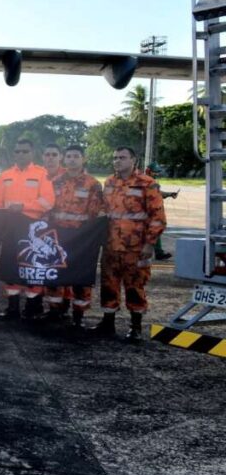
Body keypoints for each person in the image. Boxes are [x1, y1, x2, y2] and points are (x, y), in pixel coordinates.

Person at [91, 146, 166, 341]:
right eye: (115, 157)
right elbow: (103, 207)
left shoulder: (147, 184)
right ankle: (107, 323)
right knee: (108, 285)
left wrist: (150, 244)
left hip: (136, 247)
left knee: (135, 286)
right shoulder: (109, 182)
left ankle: (135, 327)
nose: (117, 161)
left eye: (122, 157)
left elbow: (157, 216)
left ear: (133, 160)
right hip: (110, 245)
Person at [0, 138, 55, 321]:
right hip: (9, 228)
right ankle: (12, 308)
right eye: (18, 151)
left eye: (25, 151)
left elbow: (48, 201)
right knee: (10, 267)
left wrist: (24, 206)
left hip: (31, 229)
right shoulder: (5, 175)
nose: (21, 154)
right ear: (14, 153)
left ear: (32, 153)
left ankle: (32, 307)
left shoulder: (42, 174)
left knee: (32, 268)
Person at [43, 145, 105, 327]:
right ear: (64, 159)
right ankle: (54, 311)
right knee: (55, 274)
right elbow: (48, 208)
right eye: (69, 156)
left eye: (76, 156)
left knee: (80, 277)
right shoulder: (55, 182)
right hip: (58, 237)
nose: (72, 159)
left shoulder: (92, 184)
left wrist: (91, 238)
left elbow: (97, 213)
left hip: (81, 240)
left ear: (83, 159)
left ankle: (78, 315)